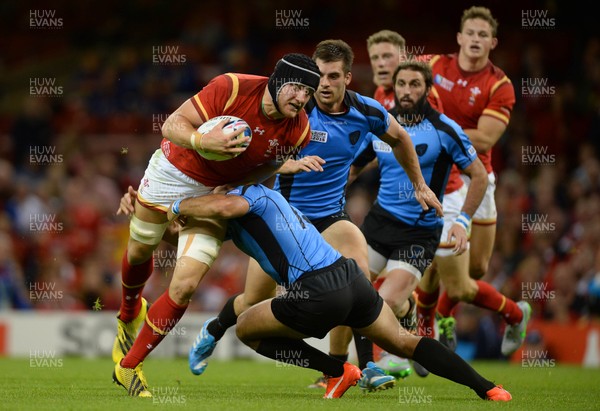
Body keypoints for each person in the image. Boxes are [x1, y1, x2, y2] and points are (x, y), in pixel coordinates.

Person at [185, 39, 442, 392]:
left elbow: (400, 139)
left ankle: (358, 366)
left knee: (358, 280)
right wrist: (286, 164)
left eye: (332, 76)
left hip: (331, 217)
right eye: (318, 75)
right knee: (252, 300)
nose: (322, 83)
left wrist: (419, 185)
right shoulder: (295, 111)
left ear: (347, 78)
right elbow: (262, 155)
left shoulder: (365, 112)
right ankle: (213, 331)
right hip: (285, 219)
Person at [112, 183, 511, 401]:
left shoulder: (244, 198)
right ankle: (488, 389)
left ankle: (339, 371)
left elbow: (224, 208)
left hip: (316, 291)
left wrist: (172, 204)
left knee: (250, 329)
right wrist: (148, 218)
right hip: (351, 279)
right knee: (406, 341)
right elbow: (186, 241)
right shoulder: (261, 198)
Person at [111, 53, 321, 387]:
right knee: (139, 251)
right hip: (171, 174)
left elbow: (269, 164)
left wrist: (237, 186)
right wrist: (202, 140)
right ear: (278, 80)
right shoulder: (232, 87)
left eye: (309, 92)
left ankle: (128, 366)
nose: (302, 98)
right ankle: (128, 313)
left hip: (213, 193)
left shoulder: (299, 130)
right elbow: (170, 126)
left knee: (186, 285)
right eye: (296, 87)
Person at [348, 61, 488, 378]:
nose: (407, 91)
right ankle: (368, 369)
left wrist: (463, 220)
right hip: (378, 224)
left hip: (419, 233)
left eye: (415, 84)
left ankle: (408, 309)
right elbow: (355, 167)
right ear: (392, 88)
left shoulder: (445, 130)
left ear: (427, 89)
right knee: (353, 292)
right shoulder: (381, 125)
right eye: (401, 84)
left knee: (383, 302)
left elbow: (478, 175)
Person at [415, 6, 530, 362]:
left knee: (476, 269)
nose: (477, 39)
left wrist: (433, 129)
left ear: (492, 42)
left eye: (484, 35)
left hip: (477, 177)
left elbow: (485, 138)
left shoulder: (500, 85)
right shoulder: (432, 66)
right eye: (471, 33)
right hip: (438, 179)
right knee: (442, 266)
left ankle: (443, 314)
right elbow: (398, 88)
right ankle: (427, 327)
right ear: (459, 38)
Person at [366, 30, 406, 110]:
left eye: (387, 56)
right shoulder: (379, 93)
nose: (380, 64)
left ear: (403, 58)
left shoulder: (419, 93)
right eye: (375, 58)